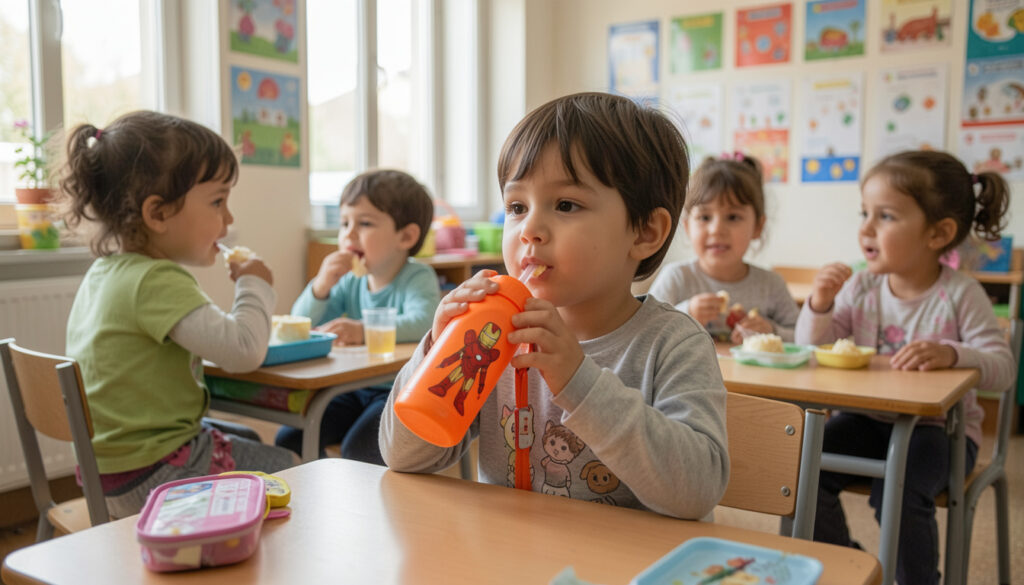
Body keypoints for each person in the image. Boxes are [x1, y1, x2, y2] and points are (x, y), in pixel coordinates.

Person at [380, 92, 729, 520]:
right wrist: (438, 348)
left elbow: (696, 490)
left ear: (645, 232)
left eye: (565, 205)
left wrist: (577, 379)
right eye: (516, 207)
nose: (530, 229)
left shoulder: (673, 344)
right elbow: (403, 456)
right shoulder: (494, 342)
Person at [59, 111, 296, 519]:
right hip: (153, 478)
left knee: (245, 436)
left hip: (107, 475)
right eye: (218, 201)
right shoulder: (156, 280)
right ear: (159, 214)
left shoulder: (107, 272)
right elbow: (243, 351)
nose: (230, 219)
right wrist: (255, 285)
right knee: (294, 467)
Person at [795, 150, 1016, 585]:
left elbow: (1003, 368)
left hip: (940, 433)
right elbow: (812, 348)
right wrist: (819, 303)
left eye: (886, 216)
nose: (866, 228)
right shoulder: (861, 286)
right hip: (867, 420)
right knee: (802, 466)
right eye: (865, 213)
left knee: (895, 492)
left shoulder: (961, 294)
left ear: (939, 233)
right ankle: (852, 567)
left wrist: (953, 353)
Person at [275, 170, 440, 463]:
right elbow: (300, 323)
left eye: (364, 223)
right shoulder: (350, 281)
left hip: (394, 392)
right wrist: (321, 286)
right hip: (349, 389)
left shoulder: (417, 276)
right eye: (344, 223)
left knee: (359, 448)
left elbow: (425, 321)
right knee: (290, 437)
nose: (348, 234)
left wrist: (363, 330)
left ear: (406, 236)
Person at [649, 153, 799, 343]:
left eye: (733, 217)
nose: (717, 230)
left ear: (757, 227)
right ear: (687, 227)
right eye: (704, 217)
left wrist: (772, 331)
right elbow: (645, 331)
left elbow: (803, 337)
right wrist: (685, 312)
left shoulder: (771, 285)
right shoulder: (676, 278)